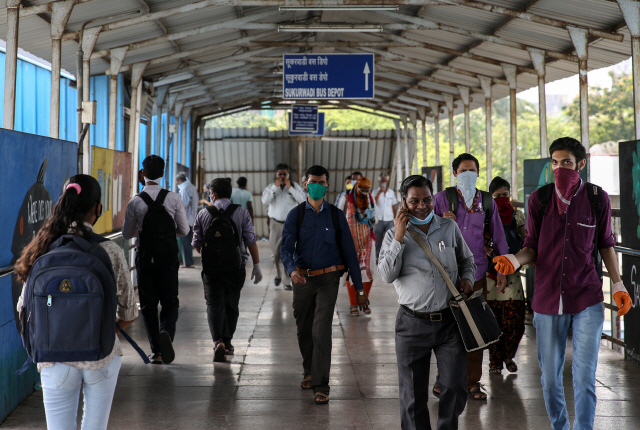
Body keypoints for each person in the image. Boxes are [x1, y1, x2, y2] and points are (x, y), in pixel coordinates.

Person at [493, 137, 633, 430]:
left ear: (581, 164)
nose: (559, 168)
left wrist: (618, 284)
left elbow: (606, 244)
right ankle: (560, 427)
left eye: (566, 162)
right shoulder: (539, 200)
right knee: (549, 379)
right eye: (554, 163)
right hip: (546, 299)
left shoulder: (597, 198)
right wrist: (516, 260)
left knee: (584, 377)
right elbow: (531, 246)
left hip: (587, 297)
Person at [14, 174, 137, 430]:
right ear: (98, 208)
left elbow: (22, 308)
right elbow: (129, 310)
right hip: (100, 357)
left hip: (52, 357)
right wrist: (103, 328)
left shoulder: (42, 248)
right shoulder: (110, 250)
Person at [378, 175, 475, 430]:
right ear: (403, 202)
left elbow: (467, 261)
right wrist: (399, 236)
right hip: (412, 325)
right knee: (412, 394)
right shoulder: (391, 235)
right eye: (414, 201)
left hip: (449, 322)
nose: (421, 205)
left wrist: (467, 278)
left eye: (427, 199)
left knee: (454, 384)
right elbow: (387, 275)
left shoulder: (448, 227)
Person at [281, 165, 369, 405]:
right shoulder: (296, 214)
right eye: (312, 181)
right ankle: (308, 369)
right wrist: (291, 271)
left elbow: (350, 253)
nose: (316, 185)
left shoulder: (336, 215)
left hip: (328, 279)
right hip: (302, 279)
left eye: (321, 181)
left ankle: (321, 384)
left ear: (327, 185)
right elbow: (286, 248)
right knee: (304, 327)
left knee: (321, 329)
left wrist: (359, 289)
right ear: (305, 183)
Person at [432, 153, 509, 400]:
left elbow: (498, 236)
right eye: (464, 170)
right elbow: (422, 228)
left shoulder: (486, 201)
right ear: (454, 173)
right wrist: (439, 221)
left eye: (473, 170)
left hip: (475, 273)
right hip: (445, 274)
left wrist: (502, 269)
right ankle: (442, 379)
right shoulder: (441, 199)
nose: (469, 175)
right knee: (445, 329)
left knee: (474, 326)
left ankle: (472, 381)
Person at [123, 155, 190, 365]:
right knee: (170, 301)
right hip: (168, 259)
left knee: (149, 304)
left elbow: (127, 234)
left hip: (145, 258)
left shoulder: (135, 202)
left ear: (143, 174)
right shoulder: (173, 198)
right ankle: (167, 333)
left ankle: (156, 352)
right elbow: (184, 230)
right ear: (162, 174)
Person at [192, 178, 262, 362]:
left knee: (214, 303)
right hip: (235, 267)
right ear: (229, 193)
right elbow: (251, 240)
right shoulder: (241, 212)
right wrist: (256, 264)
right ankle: (228, 343)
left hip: (211, 269)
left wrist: (211, 255)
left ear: (213, 194)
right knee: (231, 303)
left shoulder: (203, 214)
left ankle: (218, 342)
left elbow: (197, 244)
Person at [485, 176, 527, 375]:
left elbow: (525, 237)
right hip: (490, 274)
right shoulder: (484, 217)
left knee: (515, 321)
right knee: (493, 321)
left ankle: (508, 355)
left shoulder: (517, 215)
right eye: (497, 196)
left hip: (512, 273)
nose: (502, 199)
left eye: (505, 195)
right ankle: (495, 361)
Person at [261, 163, 306, 290]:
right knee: (275, 253)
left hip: (290, 225)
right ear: (276, 175)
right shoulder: (270, 187)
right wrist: (275, 187)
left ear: (288, 175)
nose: (282, 176)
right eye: (279, 174)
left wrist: (290, 187)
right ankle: (278, 274)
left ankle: (287, 281)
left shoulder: (295, 187)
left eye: (284, 174)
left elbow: (302, 200)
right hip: (275, 224)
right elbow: (264, 200)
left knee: (289, 252)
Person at [344, 176, 376, 316]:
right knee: (351, 272)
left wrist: (371, 217)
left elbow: (376, 219)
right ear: (357, 187)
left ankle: (364, 301)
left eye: (367, 190)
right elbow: (339, 217)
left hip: (367, 239)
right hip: (350, 240)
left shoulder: (371, 200)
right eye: (362, 190)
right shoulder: (346, 199)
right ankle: (353, 304)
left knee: (368, 271)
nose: (365, 192)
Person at [372, 172, 398, 260]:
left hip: (389, 219)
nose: (384, 182)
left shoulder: (391, 192)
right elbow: (373, 202)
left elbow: (393, 206)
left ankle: (388, 257)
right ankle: (376, 256)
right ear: (379, 181)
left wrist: (395, 218)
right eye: (382, 180)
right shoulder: (375, 192)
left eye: (385, 181)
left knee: (389, 238)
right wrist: (379, 192)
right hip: (378, 219)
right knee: (377, 239)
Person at [176, 172, 198, 269]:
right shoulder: (192, 187)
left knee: (184, 242)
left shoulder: (184, 189)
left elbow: (183, 205)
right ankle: (189, 262)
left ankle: (188, 263)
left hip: (185, 219)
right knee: (187, 241)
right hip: (191, 219)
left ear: (179, 180)